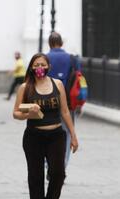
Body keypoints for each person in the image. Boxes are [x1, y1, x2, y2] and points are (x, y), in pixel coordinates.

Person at [13, 53, 79, 199]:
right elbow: (16, 113)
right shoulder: (25, 87)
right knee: (35, 176)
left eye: (42, 64)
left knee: (58, 172)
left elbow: (65, 111)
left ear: (48, 66)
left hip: (56, 135)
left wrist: (73, 135)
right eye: (36, 65)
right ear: (31, 67)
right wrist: (29, 113)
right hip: (33, 136)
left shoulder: (57, 84)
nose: (39, 68)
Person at [47, 32, 80, 169]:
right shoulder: (72, 58)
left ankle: (49, 164)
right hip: (68, 102)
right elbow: (78, 79)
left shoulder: (45, 58)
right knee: (66, 133)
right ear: (62, 43)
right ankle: (62, 165)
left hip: (48, 101)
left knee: (48, 132)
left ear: (49, 43)